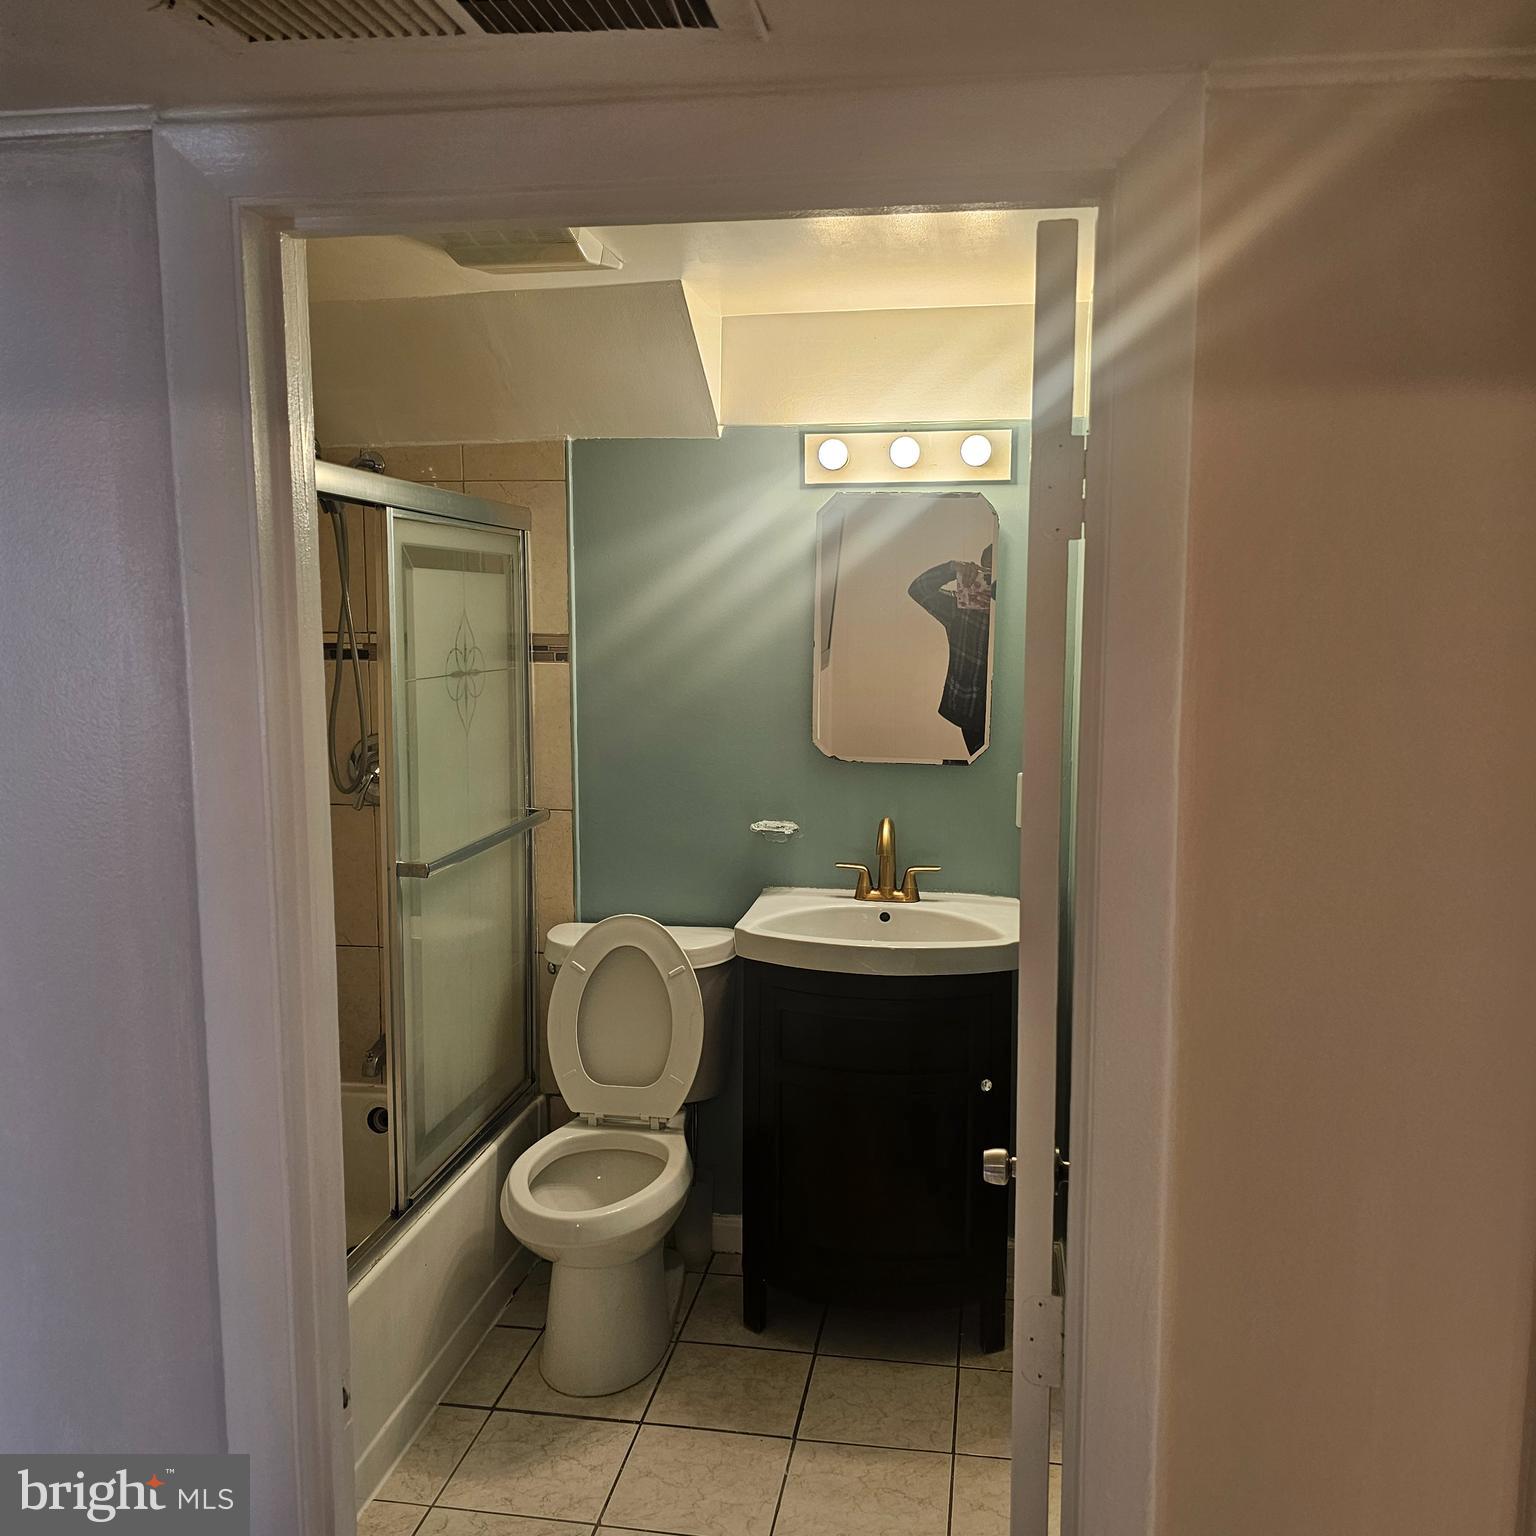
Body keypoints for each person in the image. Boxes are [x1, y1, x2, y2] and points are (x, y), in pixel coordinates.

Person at [907, 544, 995, 757]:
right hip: (972, 709)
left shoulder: (1025, 606)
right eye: (987, 575)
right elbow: (918, 589)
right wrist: (953, 568)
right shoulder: (961, 608)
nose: (991, 584)